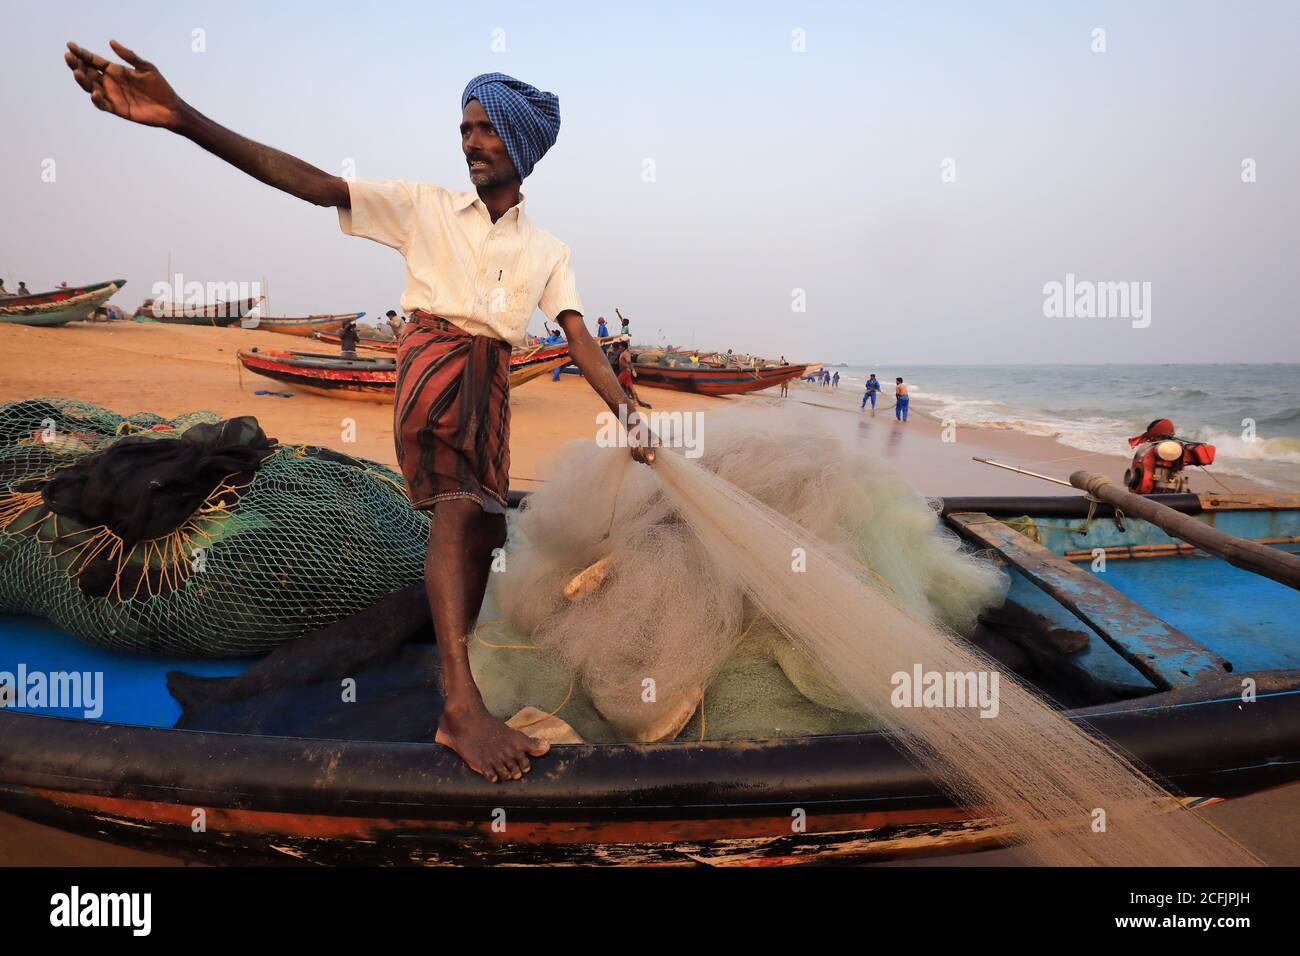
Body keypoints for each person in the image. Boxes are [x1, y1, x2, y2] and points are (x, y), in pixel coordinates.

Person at [65, 40, 654, 784]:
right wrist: (183, 117)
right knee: (453, 512)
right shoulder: (425, 207)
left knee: (487, 523)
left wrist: (628, 413)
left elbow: (579, 338)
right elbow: (314, 185)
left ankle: (460, 667)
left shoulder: (546, 248)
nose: (470, 140)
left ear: (522, 144)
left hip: (492, 386)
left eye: (485, 128)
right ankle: (460, 705)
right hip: (434, 367)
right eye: (464, 127)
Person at [615, 342, 650, 409]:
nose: (619, 347)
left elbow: (629, 362)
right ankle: (635, 401)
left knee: (617, 384)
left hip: (625, 372)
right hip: (625, 371)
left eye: (620, 346)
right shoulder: (625, 353)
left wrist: (633, 370)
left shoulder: (625, 354)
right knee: (630, 386)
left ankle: (619, 400)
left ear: (623, 347)